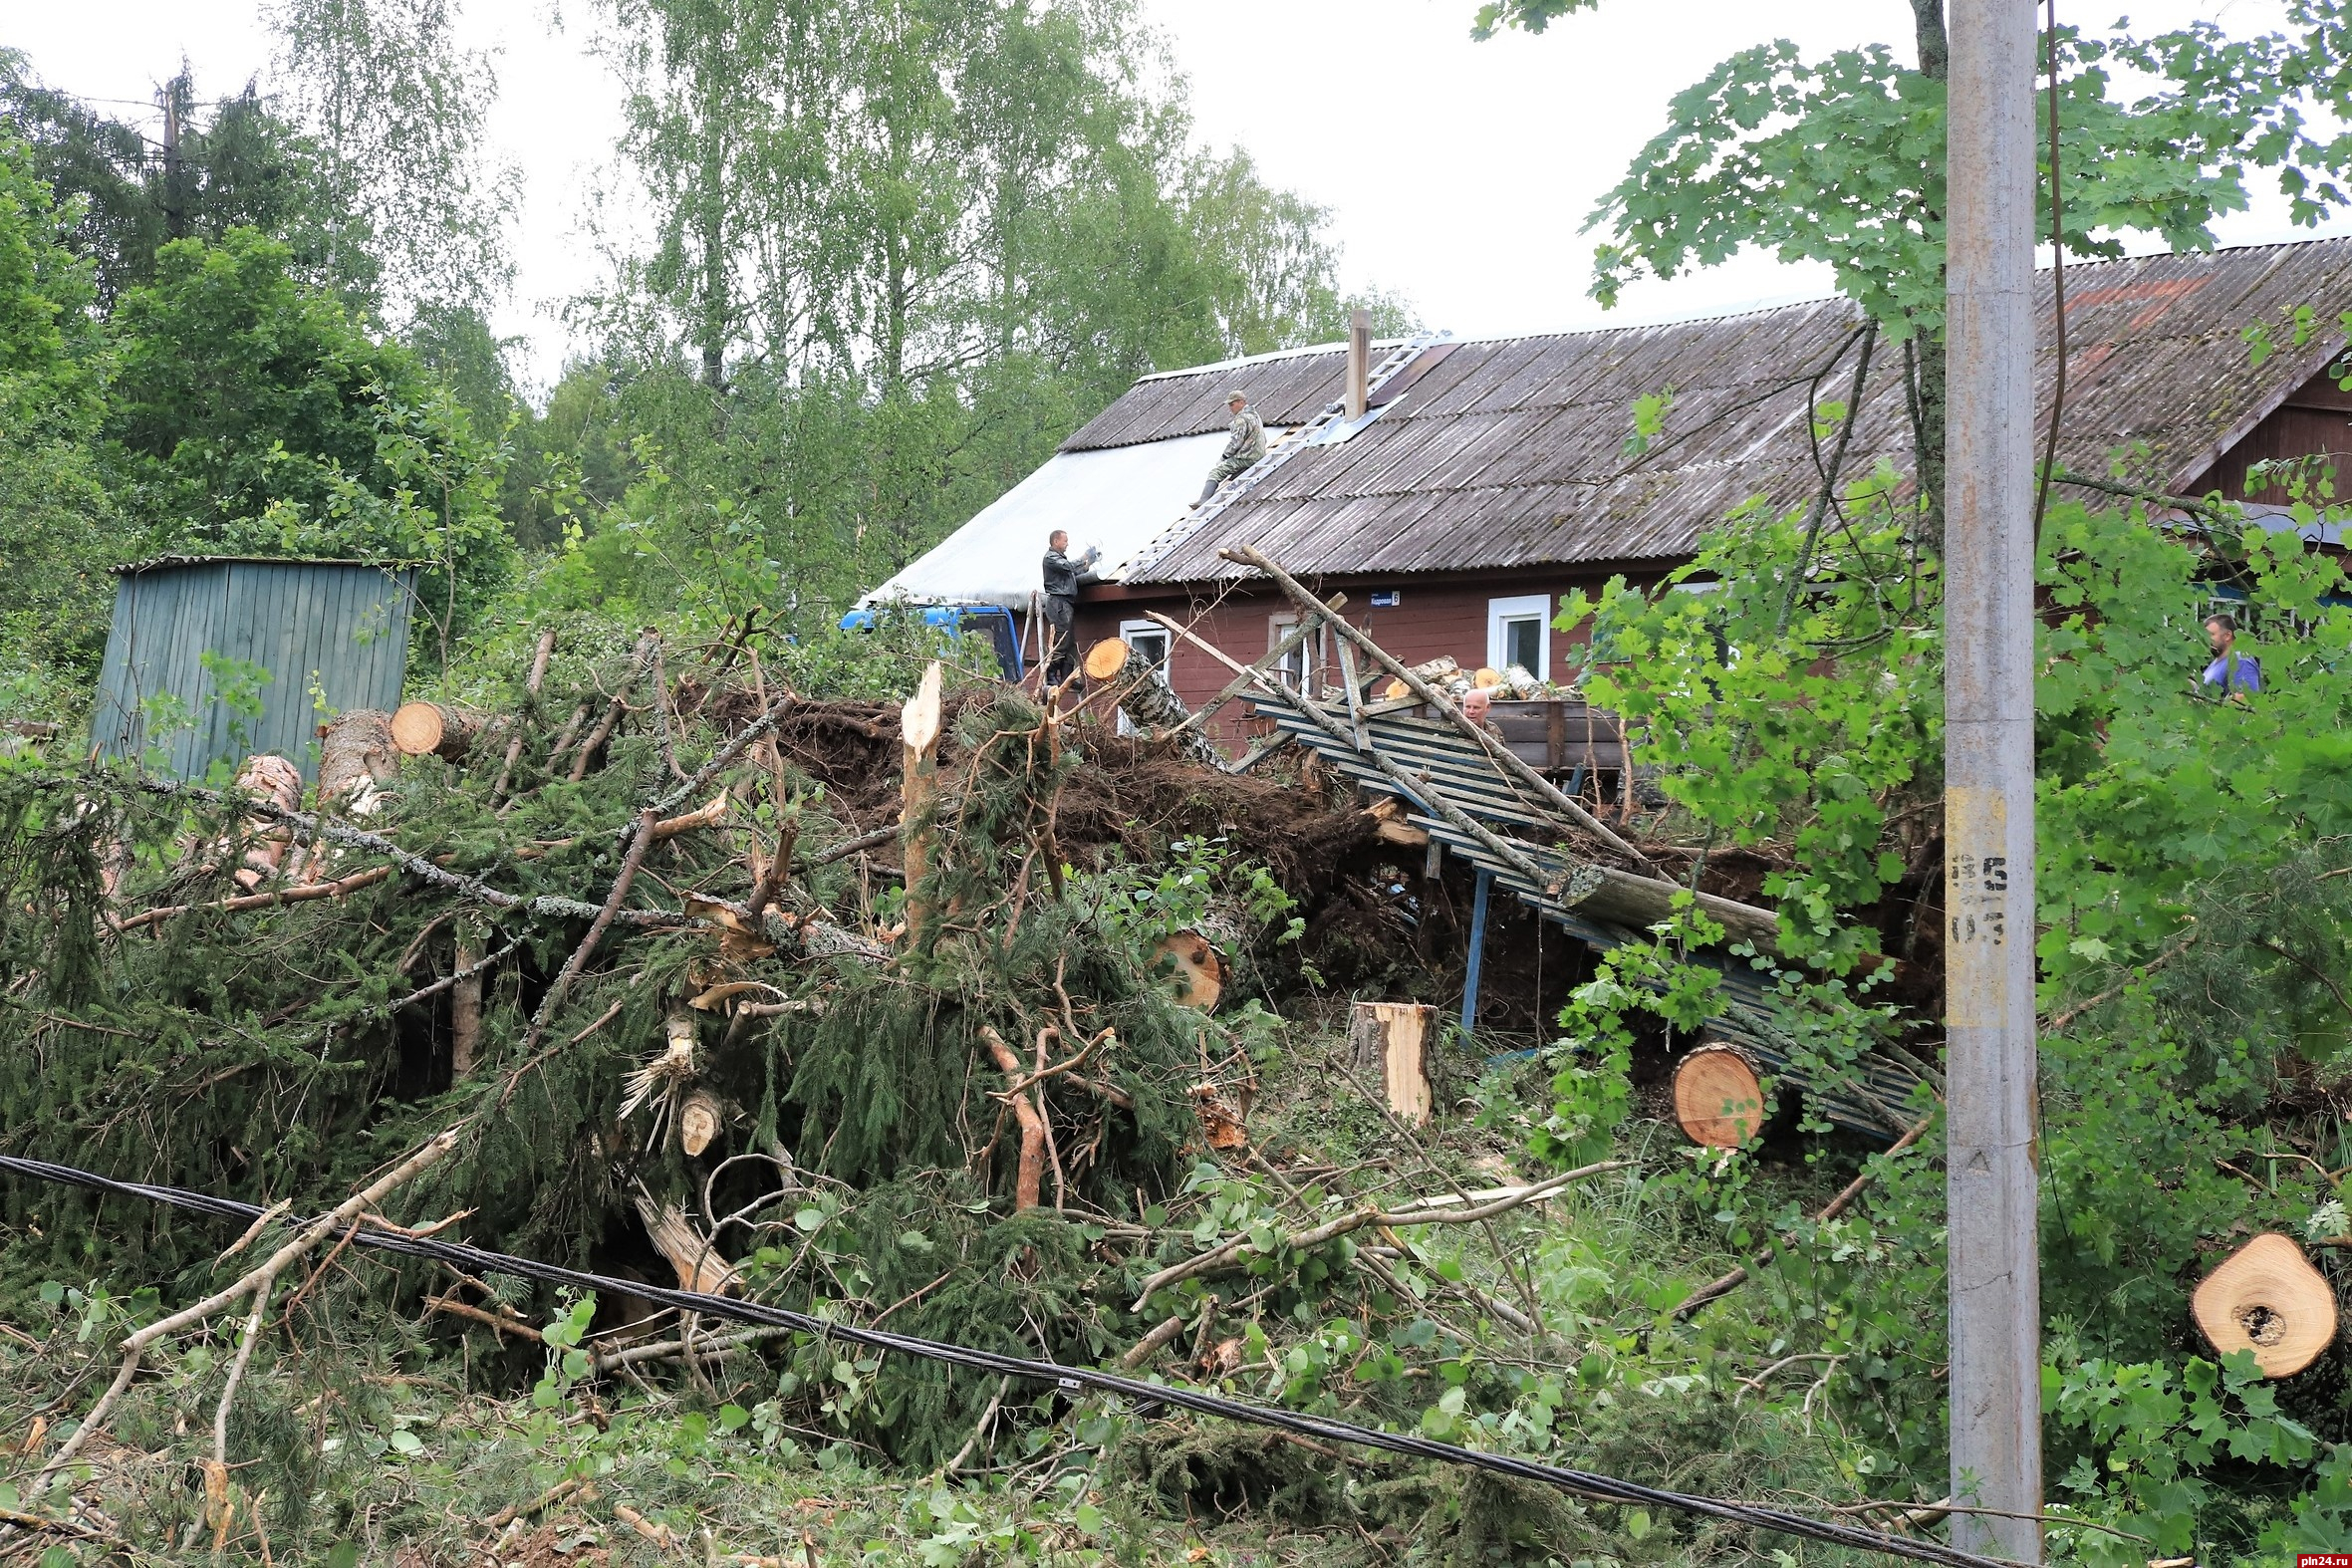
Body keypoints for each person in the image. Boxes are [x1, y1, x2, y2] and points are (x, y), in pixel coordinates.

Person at [1040, 529, 1100, 687]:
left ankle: (1067, 677)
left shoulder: (1060, 559)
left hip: (1066, 603)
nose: (1067, 544)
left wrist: (1087, 565)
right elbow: (1068, 567)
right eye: (1065, 541)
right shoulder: (1051, 558)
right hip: (1058, 603)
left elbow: (1072, 572)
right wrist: (1084, 557)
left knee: (1070, 641)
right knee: (1062, 640)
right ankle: (1051, 674)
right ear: (1055, 542)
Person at [1196, 389, 1267, 503]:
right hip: (1260, 455)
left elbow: (1235, 443)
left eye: (1232, 404)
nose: (1230, 408)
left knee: (1216, 472)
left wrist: (1224, 458)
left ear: (1241, 402)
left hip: (1247, 457)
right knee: (1234, 473)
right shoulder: (1255, 415)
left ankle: (1203, 500)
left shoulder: (1241, 419)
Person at [2202, 611, 2261, 699]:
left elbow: (2246, 700)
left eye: (2211, 634)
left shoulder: (2241, 661)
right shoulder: (2216, 662)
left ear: (2227, 636)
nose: (2205, 639)